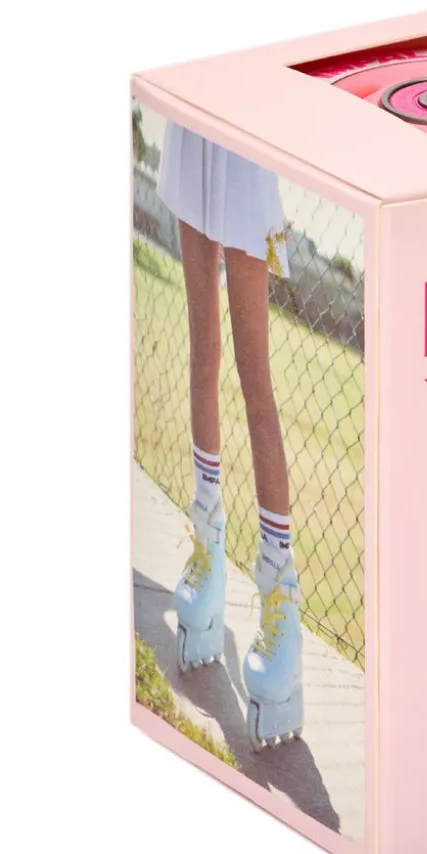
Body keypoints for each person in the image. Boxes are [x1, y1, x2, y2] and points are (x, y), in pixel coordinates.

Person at [158, 121, 303, 750]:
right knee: (203, 349)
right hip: (194, 124)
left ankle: (280, 596)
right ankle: (208, 547)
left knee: (254, 376)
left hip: (245, 136)